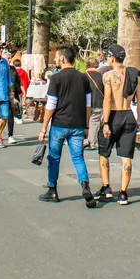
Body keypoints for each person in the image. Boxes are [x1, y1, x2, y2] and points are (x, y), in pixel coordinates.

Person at [38, 44, 96, 207]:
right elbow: (88, 104)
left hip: (59, 124)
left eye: (56, 57)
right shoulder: (83, 78)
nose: (55, 59)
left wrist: (44, 127)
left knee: (54, 157)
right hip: (78, 125)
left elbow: (51, 104)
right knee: (77, 157)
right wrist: (86, 126)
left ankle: (52, 189)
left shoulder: (56, 78)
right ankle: (85, 185)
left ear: (62, 58)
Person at [98, 45, 140, 205]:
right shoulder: (133, 74)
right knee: (126, 156)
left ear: (111, 57)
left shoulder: (108, 76)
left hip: (114, 115)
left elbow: (107, 99)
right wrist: (138, 119)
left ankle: (106, 187)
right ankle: (123, 193)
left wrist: (105, 122)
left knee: (104, 151)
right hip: (129, 115)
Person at [85, 58, 106, 151]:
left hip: (85, 104)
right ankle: (93, 142)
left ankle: (87, 140)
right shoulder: (102, 76)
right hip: (98, 102)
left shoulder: (83, 76)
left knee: (87, 122)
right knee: (94, 122)